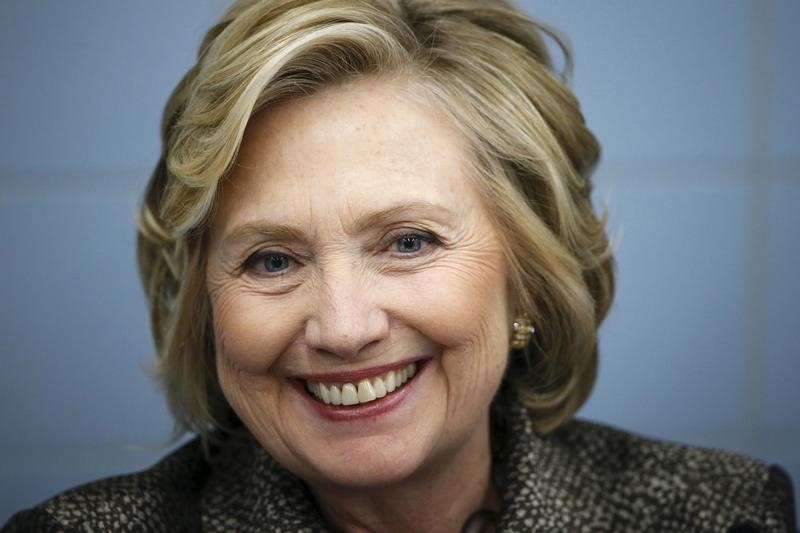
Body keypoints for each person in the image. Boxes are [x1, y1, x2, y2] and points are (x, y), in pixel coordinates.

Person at [3, 0, 796, 531]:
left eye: (408, 242)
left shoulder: (728, 514)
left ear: (529, 269)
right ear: (207, 303)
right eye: (272, 258)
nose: (345, 328)